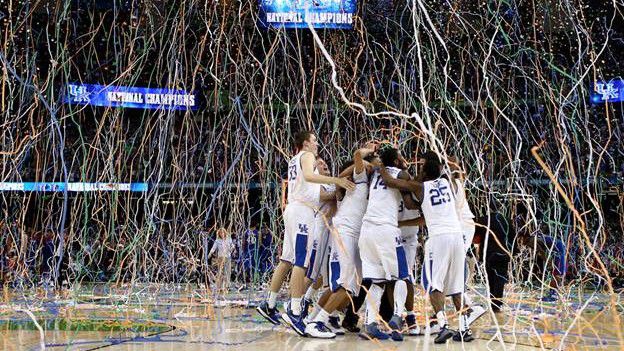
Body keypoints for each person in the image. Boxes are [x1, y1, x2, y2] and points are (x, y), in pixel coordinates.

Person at [256, 130, 354, 338]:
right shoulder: (307, 155)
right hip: (302, 212)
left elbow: (310, 182)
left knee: (286, 260)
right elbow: (310, 175)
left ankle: (270, 304)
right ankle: (294, 310)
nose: (317, 143)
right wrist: (337, 180)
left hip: (293, 209)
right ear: (305, 143)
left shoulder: (294, 160)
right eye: (315, 139)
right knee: (301, 261)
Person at [377, 150, 473, 343]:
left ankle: (443, 325)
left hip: (438, 239)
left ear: (424, 172)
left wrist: (380, 166)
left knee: (434, 284)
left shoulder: (419, 187)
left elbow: (391, 183)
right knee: (456, 287)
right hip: (456, 236)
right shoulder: (449, 183)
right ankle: (464, 329)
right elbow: (452, 168)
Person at [305, 147, 376, 338]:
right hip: (345, 233)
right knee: (346, 287)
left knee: (339, 286)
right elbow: (358, 155)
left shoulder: (361, 184)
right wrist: (369, 151)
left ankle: (311, 319)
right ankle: (318, 322)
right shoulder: (359, 177)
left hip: (347, 234)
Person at [358, 146, 413, 342]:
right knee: (401, 276)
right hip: (386, 229)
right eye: (401, 156)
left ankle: (370, 324)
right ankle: (398, 315)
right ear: (397, 161)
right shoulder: (402, 173)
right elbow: (408, 204)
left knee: (377, 281)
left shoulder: (373, 173)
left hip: (366, 230)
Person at [207, 227, 235, 294]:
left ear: (225, 233)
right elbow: (213, 248)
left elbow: (232, 246)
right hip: (220, 257)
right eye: (220, 233)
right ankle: (220, 286)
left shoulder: (229, 239)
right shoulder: (217, 241)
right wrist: (210, 254)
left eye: (222, 233)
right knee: (220, 272)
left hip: (228, 257)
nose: (222, 234)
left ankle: (227, 286)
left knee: (227, 272)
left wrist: (231, 249)